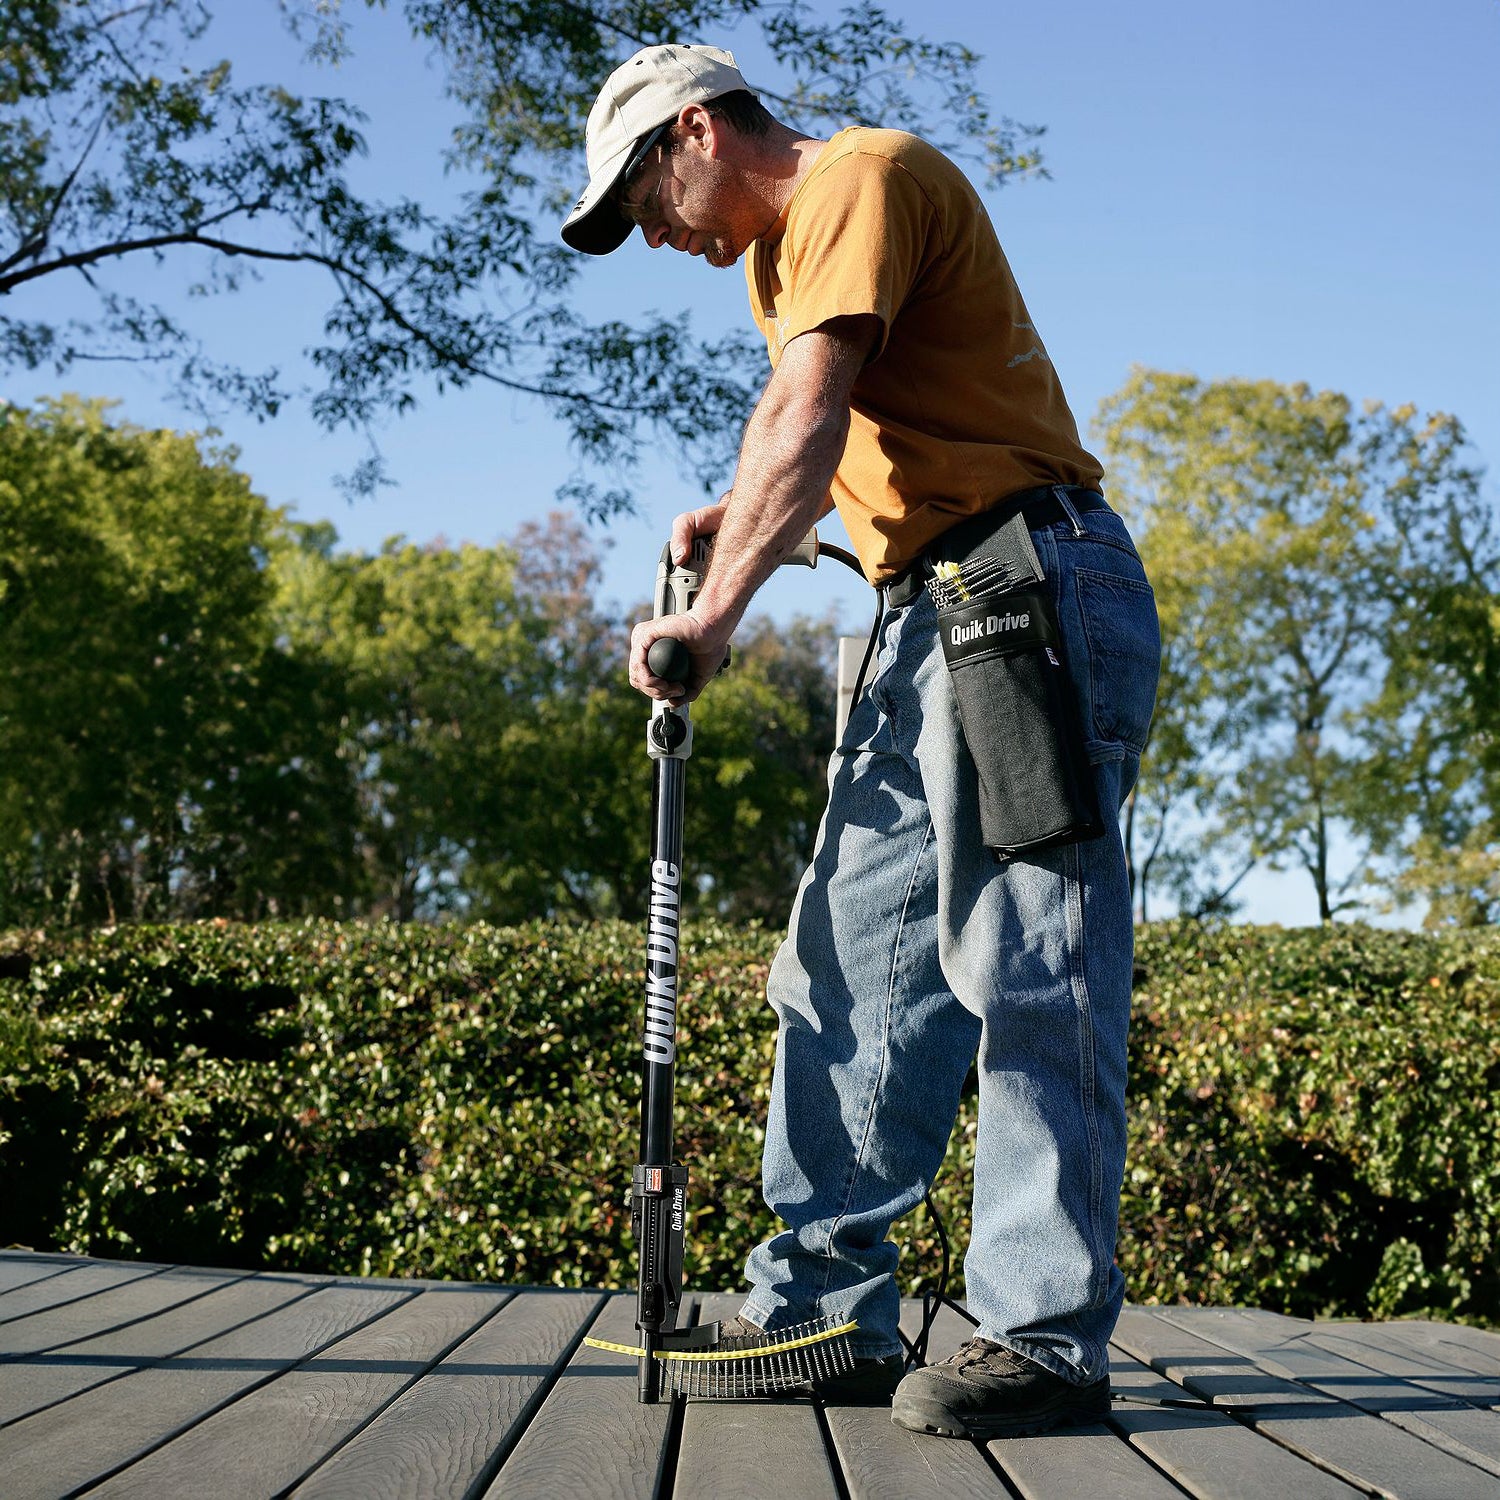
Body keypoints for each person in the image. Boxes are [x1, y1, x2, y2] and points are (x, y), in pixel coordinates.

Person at [562, 43, 1160, 1440]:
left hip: (1027, 593)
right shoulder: (785, 260)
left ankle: (1044, 1340)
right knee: (849, 962)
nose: (650, 233)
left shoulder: (860, 177)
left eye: (642, 196)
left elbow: (811, 412)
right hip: (925, 612)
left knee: (1032, 962)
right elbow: (822, 431)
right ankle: (823, 1311)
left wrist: (712, 619)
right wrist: (739, 515)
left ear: (697, 131)